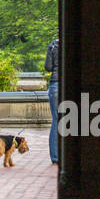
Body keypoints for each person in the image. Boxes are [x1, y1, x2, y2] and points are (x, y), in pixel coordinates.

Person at [45, 35, 60, 164]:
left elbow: (48, 67)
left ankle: (55, 156)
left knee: (56, 120)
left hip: (55, 84)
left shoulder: (53, 45)